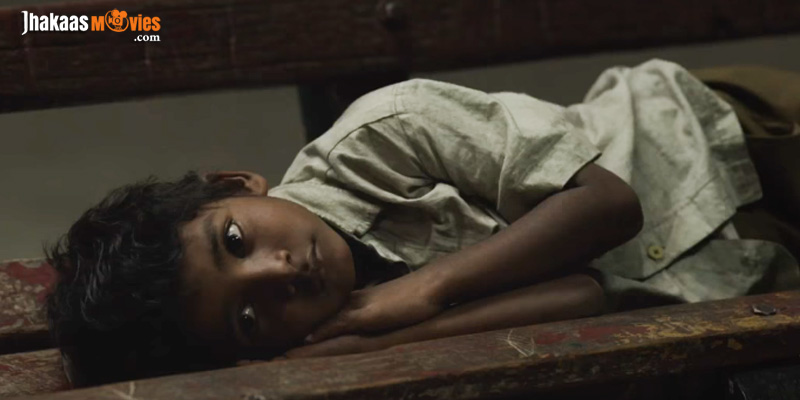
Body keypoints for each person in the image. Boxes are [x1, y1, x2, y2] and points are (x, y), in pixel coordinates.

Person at [46, 59, 800, 386]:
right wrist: (384, 334)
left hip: (727, 138)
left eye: (236, 241)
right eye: (247, 318)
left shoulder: (385, 130)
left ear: (233, 185)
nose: (279, 274)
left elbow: (607, 205)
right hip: (745, 269)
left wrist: (425, 288)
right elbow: (582, 296)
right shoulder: (337, 332)